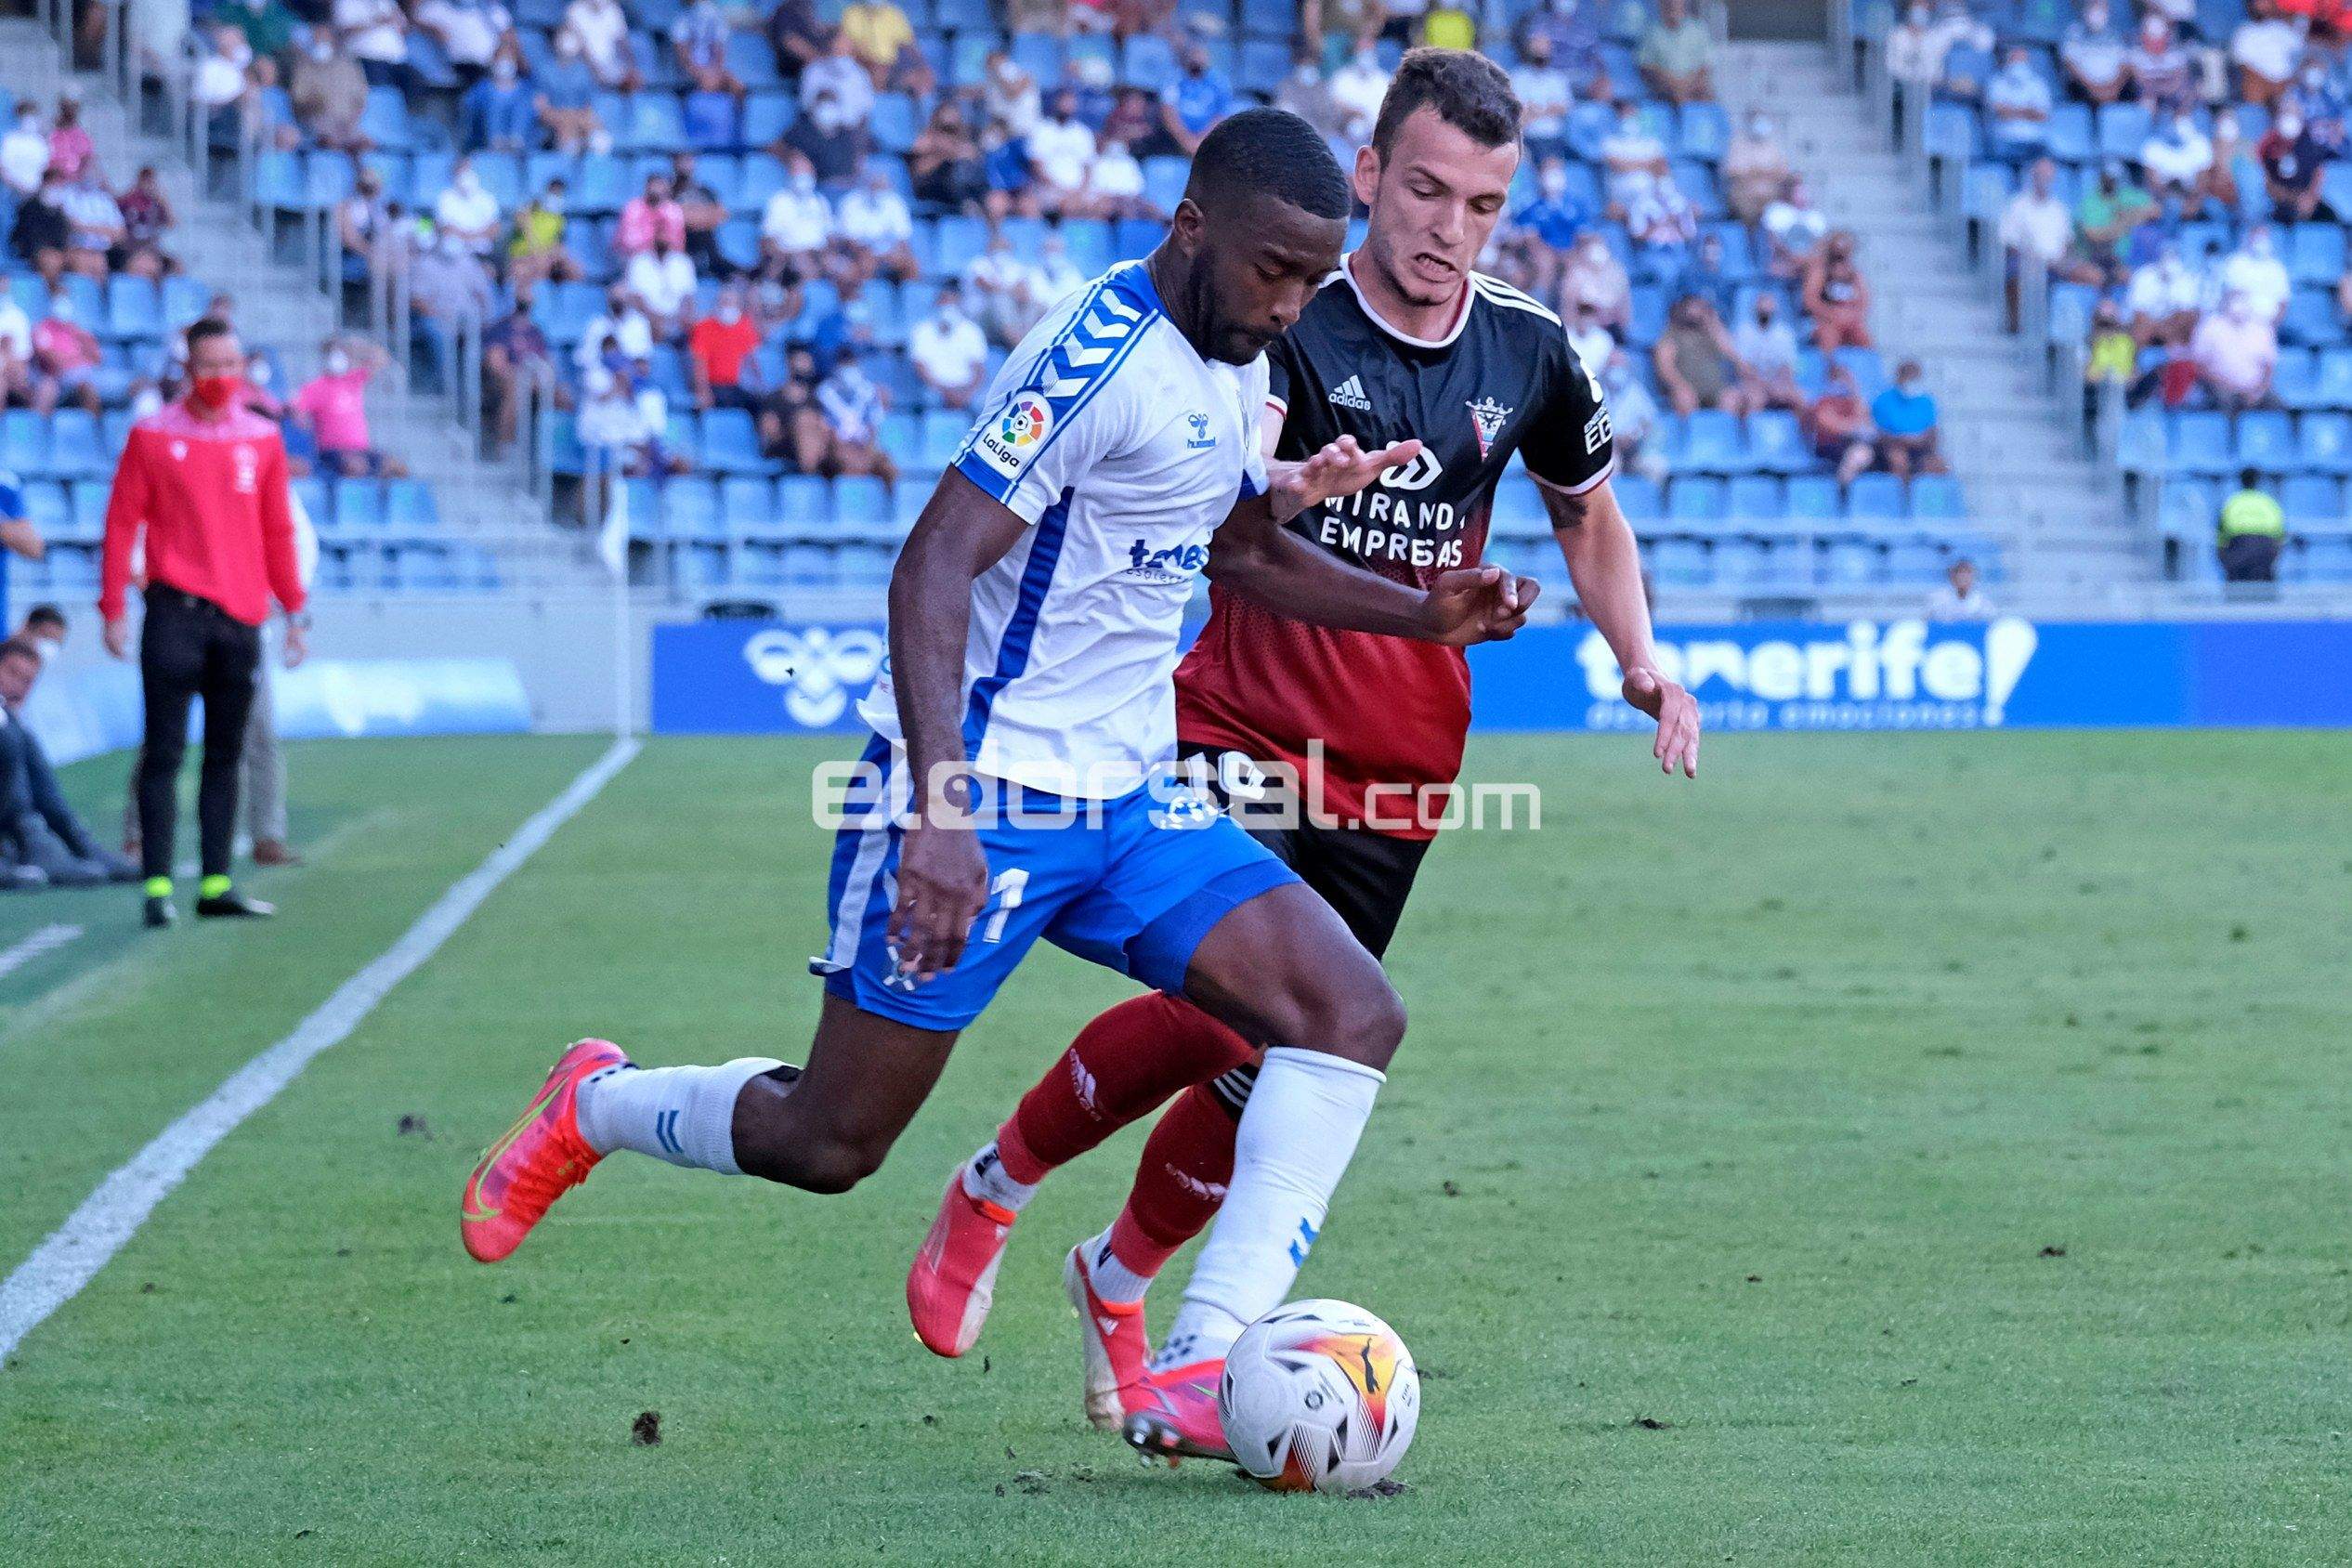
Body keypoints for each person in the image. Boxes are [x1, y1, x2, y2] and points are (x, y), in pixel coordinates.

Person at [461, 114, 1549, 1479]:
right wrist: (942, 813)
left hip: (1135, 794)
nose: (1289, 307)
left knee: (1347, 1011)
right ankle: (596, 1104)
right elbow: (930, 568)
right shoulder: (1097, 360)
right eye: (1273, 272)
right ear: (1192, 226)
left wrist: (1417, 616)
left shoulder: (1238, 352)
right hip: (991, 789)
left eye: (1308, 282)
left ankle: (1212, 1358)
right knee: (830, 1140)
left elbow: (1237, 551)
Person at [895, 57, 1696, 1461]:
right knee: (1228, 1016)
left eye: (1487, 205)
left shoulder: (1530, 349)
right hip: (1240, 729)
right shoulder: (1276, 309)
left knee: (1273, 1067)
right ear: (1375, 175)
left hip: (1403, 766)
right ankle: (999, 1186)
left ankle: (1122, 1282)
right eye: (1431, 190)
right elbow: (1230, 513)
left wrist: (1640, 654)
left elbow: (1589, 518)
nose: (1453, 227)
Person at [100, 319, 307, 926]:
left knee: (227, 756)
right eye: (209, 366)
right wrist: (113, 607)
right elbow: (121, 523)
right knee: (163, 753)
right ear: (188, 370)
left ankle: (216, 883)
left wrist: (294, 610)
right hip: (174, 614)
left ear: (244, 368)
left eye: (230, 365)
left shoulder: (263, 439)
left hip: (240, 621)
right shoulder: (153, 435)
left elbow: (278, 531)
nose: (220, 377)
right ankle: (157, 887)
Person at [1653, 293, 1753, 415]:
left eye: (1700, 307)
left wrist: (1714, 324)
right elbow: (1665, 367)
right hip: (1687, 388)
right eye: (1692, 306)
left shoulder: (1711, 332)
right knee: (1684, 400)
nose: (1696, 310)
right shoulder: (1671, 334)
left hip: (1716, 388)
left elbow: (1732, 355)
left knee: (1734, 399)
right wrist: (1680, 386)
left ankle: (1723, 432)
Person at [2190, 291, 2279, 410]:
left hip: (2255, 389)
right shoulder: (2209, 326)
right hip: (2221, 387)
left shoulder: (2262, 328)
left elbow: (2268, 365)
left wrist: (2259, 389)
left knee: (2279, 406)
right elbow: (2199, 366)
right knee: (2226, 402)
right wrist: (2231, 386)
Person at [907, 282, 987, 410]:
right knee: (929, 397)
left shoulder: (972, 331)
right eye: (943, 301)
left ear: (959, 304)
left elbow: (979, 370)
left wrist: (967, 394)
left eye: (951, 302)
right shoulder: (922, 330)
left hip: (964, 387)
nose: (947, 306)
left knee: (982, 402)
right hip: (935, 389)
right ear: (936, 304)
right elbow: (920, 368)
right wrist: (945, 392)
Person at [686, 287, 763, 412]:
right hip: (711, 385)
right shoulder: (704, 327)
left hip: (734, 385)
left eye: (731, 303)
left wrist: (760, 385)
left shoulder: (744, 326)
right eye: (724, 302)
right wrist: (704, 392)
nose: (727, 307)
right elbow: (699, 364)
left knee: (759, 404)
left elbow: (752, 359)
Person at [1869, 360, 1947, 479]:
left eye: (1914, 379)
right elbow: (1879, 434)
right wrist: (1903, 439)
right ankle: (1903, 497)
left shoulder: (1926, 401)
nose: (1911, 383)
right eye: (1908, 378)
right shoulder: (1883, 401)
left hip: (1920, 449)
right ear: (1899, 379)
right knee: (1899, 461)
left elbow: (1932, 432)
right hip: (1892, 449)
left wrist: (1920, 442)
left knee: (1940, 466)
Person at [2258, 109, 2332, 222]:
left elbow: (2319, 171)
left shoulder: (2310, 140)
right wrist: (2289, 196)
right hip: (2276, 199)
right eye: (2286, 114)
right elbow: (2264, 178)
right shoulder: (2269, 142)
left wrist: (2311, 195)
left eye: (2293, 114)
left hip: (2305, 194)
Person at [1810, 361, 1876, 485]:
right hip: (1830, 446)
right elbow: (1830, 425)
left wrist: (1855, 393)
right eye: (1842, 377)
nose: (1846, 381)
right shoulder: (1824, 402)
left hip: (1856, 443)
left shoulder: (1852, 402)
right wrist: (1853, 425)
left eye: (1848, 378)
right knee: (1858, 454)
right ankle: (1842, 490)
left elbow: (1868, 424)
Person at [2231, 0, 2306, 107]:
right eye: (2258, 2)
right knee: (2252, 87)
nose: (2262, 5)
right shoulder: (2245, 31)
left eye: (2265, 2)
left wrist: (2286, 82)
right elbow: (2243, 66)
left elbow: (2300, 57)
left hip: (2286, 85)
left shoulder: (2284, 29)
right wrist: (2272, 84)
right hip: (2260, 85)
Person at [2126, 242, 2202, 346]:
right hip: (2148, 326)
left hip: (2173, 328)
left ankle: (2179, 358)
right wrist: (2157, 328)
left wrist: (2166, 329)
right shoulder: (2143, 275)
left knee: (2188, 325)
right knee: (2140, 330)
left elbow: (2187, 312)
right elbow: (2138, 312)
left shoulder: (2186, 277)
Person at [1985, 46, 2053, 161]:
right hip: (2003, 139)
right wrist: (2028, 111)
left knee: (2045, 163)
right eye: (2015, 59)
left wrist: (2013, 110)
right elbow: (2001, 113)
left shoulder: (2039, 84)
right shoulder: (1995, 82)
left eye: (2022, 60)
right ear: (2008, 60)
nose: (2018, 64)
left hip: (2034, 141)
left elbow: (2042, 116)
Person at [1722, 111, 1791, 225]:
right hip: (1745, 204)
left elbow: (1783, 172)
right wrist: (1759, 172)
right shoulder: (1738, 144)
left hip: (1769, 203)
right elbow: (1733, 171)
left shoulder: (1772, 146)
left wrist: (1759, 172)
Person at [2215, 468, 2285, 581]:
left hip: (2239, 545)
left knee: (2237, 589)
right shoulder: (2268, 502)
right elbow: (2280, 535)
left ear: (2241, 481)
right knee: (2264, 588)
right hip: (2265, 547)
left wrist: (2225, 561)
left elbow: (2221, 537)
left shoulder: (2233, 502)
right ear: (2258, 481)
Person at [1638, 0, 1713, 103]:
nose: (1672, 4)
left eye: (1677, 1)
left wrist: (1685, 87)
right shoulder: (1650, 32)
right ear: (1661, 3)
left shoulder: (1699, 29)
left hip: (1696, 94)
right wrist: (1673, 85)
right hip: (1663, 96)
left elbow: (1706, 67)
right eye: (1668, 1)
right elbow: (1646, 68)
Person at [2060, 2, 2128, 103]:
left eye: (2101, 8)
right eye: (2094, 6)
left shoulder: (2116, 33)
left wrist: (2114, 89)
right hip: (2083, 90)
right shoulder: (2073, 33)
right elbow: (2070, 64)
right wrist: (2093, 89)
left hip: (2114, 92)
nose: (2097, 12)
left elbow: (2125, 65)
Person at [1923, 557, 1993, 618]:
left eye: (1968, 573)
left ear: (1974, 576)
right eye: (1960, 572)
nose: (1963, 577)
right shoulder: (1938, 599)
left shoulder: (1982, 600)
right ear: (1952, 576)